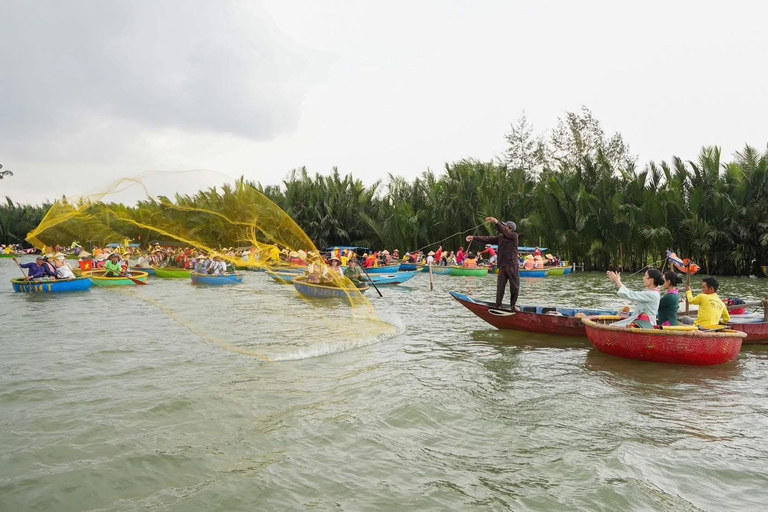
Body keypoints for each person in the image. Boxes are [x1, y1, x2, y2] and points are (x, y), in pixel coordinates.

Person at [467, 217, 520, 309]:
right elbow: (487, 239)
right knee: (500, 288)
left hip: (512, 266)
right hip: (502, 266)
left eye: (506, 226)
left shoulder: (514, 236)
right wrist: (474, 238)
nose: (504, 227)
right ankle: (498, 305)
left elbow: (504, 231)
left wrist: (496, 222)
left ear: (510, 229)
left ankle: (513, 305)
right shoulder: (501, 237)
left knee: (514, 287)